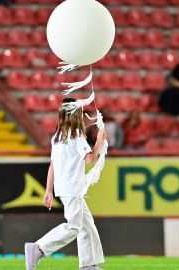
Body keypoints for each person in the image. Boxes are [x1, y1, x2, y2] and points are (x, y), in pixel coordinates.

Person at [25, 98, 106, 270]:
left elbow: (53, 164)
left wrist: (48, 191)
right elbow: (90, 158)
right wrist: (100, 139)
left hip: (63, 187)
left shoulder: (58, 136)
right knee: (74, 227)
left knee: (87, 225)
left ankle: (89, 264)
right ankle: (38, 248)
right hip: (72, 187)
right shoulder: (76, 134)